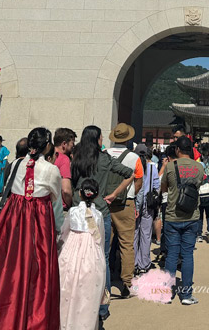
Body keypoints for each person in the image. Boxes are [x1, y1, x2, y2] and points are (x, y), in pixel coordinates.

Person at [0, 127, 62, 330]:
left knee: (4, 268)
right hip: (38, 223)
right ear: (47, 145)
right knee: (37, 272)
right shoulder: (52, 170)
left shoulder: (17, 163)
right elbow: (55, 199)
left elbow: (10, 189)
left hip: (12, 221)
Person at [70, 125, 134, 321]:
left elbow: (71, 184)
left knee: (77, 257)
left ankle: (77, 299)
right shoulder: (105, 158)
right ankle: (103, 306)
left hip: (79, 213)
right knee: (102, 258)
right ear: (97, 139)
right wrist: (114, 194)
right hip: (100, 212)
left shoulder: (77, 158)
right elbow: (130, 173)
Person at [159, 136, 207, 305]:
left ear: (178, 150)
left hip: (172, 215)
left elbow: (163, 187)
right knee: (187, 255)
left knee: (172, 255)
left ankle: (167, 294)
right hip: (192, 216)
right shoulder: (199, 167)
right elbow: (199, 184)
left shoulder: (171, 166)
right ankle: (186, 295)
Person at [59, 179, 106, 330]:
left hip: (71, 253)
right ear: (96, 195)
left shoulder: (73, 211)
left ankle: (64, 323)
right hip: (91, 255)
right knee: (87, 293)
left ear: (79, 193)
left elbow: (63, 233)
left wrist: (60, 247)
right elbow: (101, 240)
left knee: (67, 288)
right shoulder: (98, 215)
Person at [105, 123, 143, 297]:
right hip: (125, 203)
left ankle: (103, 283)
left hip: (105, 203)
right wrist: (131, 194)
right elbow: (139, 181)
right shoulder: (134, 157)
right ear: (128, 138)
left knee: (104, 245)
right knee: (126, 245)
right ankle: (127, 283)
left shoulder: (104, 155)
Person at [133, 144, 157, 275]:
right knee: (146, 234)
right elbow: (156, 186)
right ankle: (144, 263)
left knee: (135, 234)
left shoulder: (134, 165)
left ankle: (134, 262)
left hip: (135, 203)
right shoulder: (153, 167)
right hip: (148, 205)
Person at [53, 128, 77, 209]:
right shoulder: (64, 159)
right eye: (72, 143)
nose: (73, 146)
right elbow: (66, 190)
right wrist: (70, 205)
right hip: (59, 207)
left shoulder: (45, 156)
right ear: (64, 144)